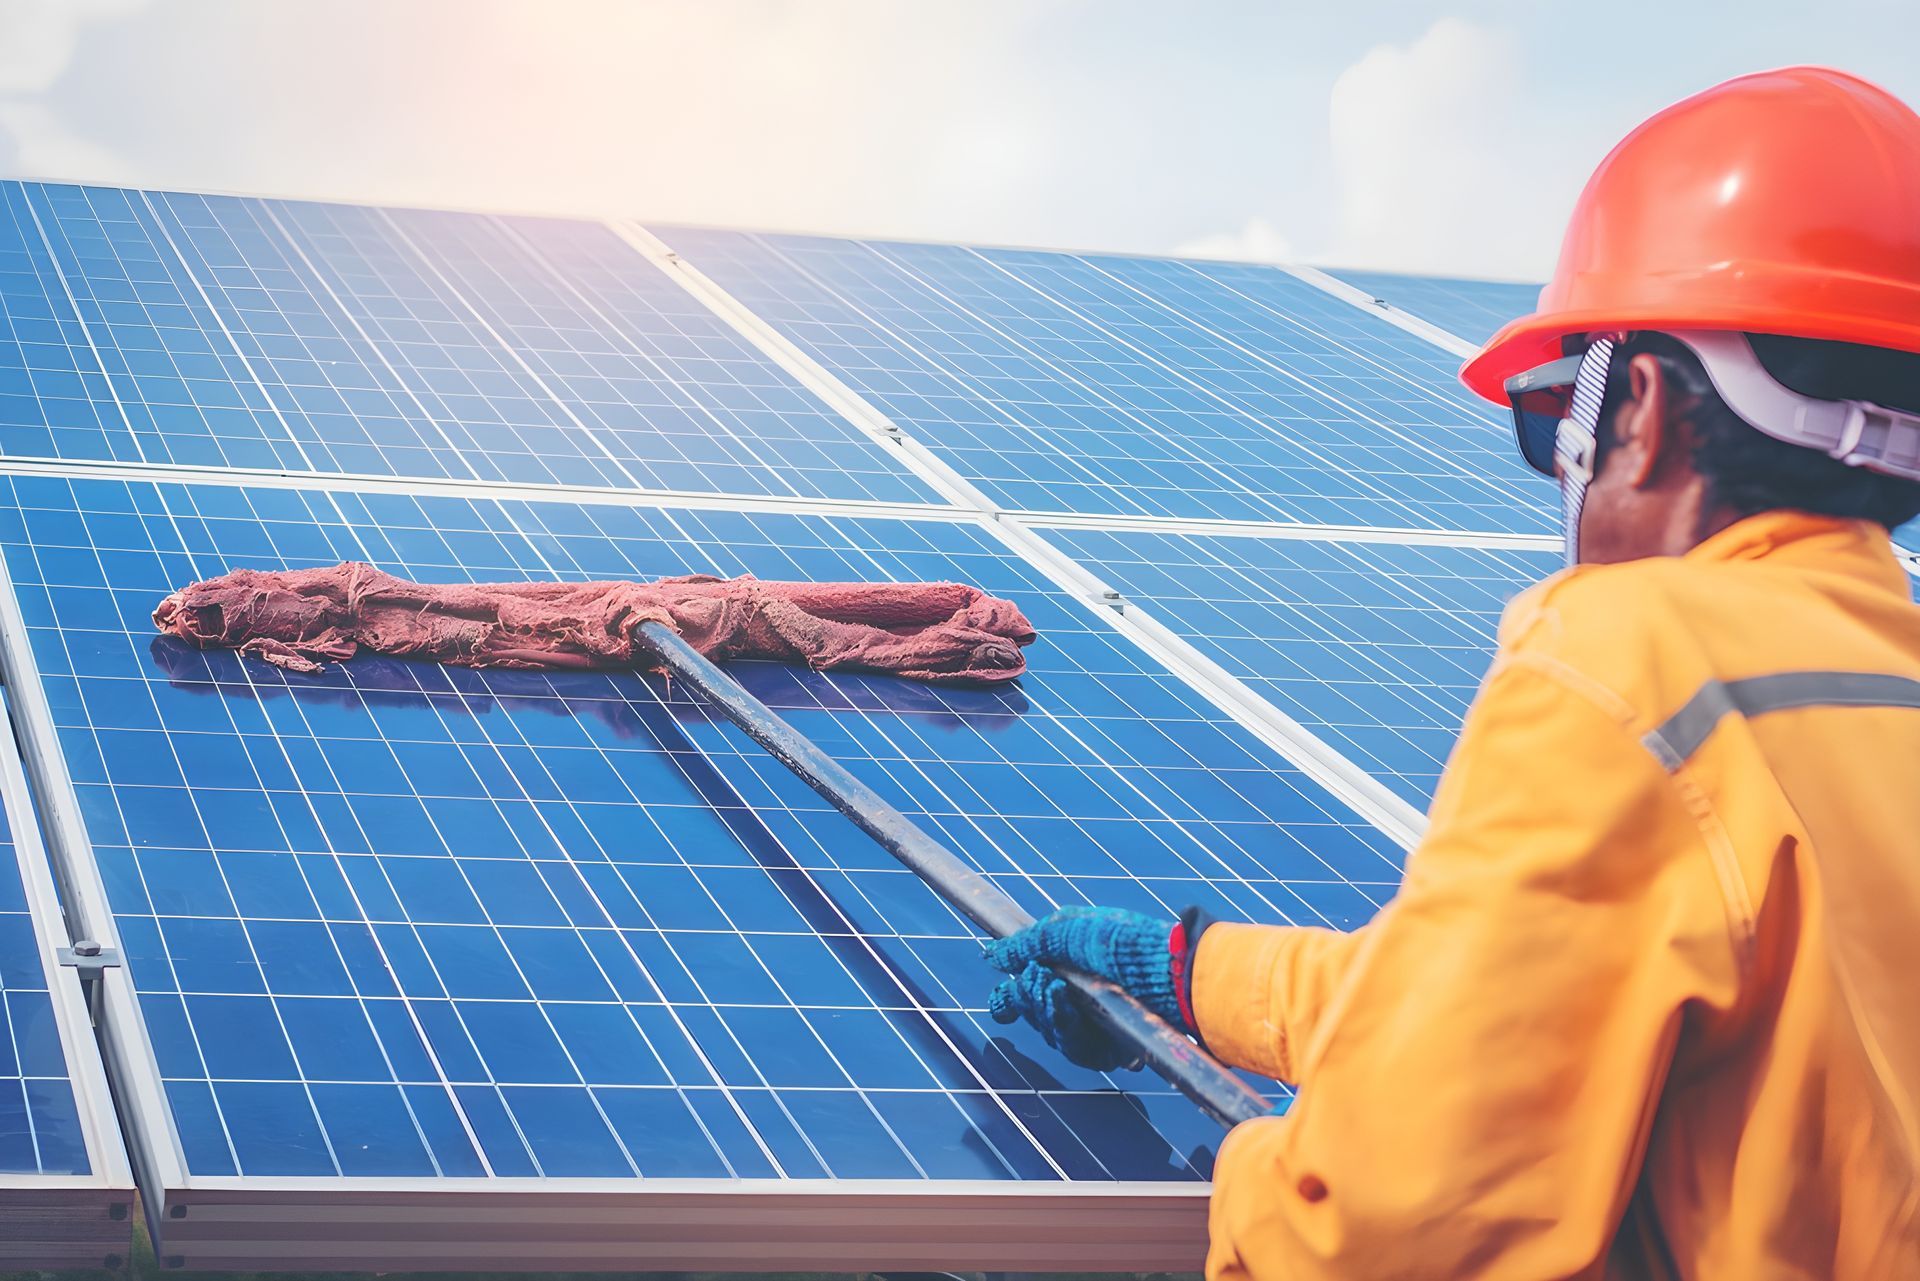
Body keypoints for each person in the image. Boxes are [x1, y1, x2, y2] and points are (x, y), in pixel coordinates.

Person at [983, 66, 1920, 1279]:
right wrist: (1185, 973)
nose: (1559, 467)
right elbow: (1511, 1013)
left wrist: (1261, 1175)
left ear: (1638, 408)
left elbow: (1381, 1229)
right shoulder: (1876, 694)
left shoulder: (1633, 667)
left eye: (1550, 422)